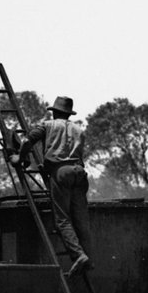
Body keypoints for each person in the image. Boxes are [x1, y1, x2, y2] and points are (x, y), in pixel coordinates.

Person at [19, 95, 93, 279]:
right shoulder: (78, 129)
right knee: (81, 219)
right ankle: (90, 257)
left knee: (63, 219)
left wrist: (20, 158)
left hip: (61, 173)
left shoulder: (48, 125)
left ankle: (79, 256)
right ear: (68, 113)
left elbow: (27, 142)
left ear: (54, 112)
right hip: (79, 172)